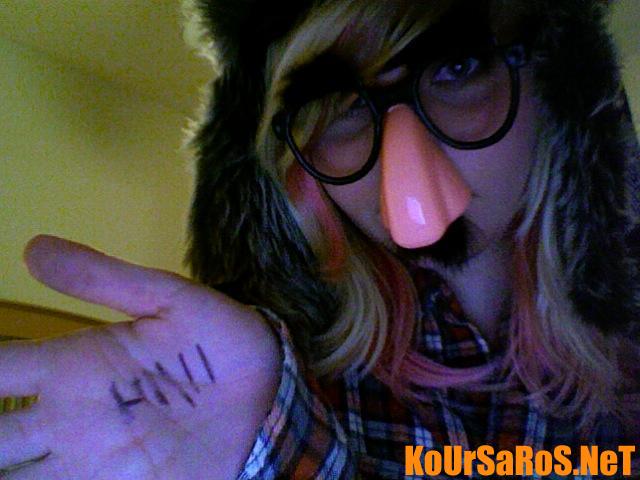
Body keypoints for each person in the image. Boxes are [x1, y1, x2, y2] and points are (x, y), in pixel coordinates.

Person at [1, 0, 639, 478]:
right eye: (344, 109)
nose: (407, 176)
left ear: (554, 87)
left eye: (457, 66)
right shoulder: (276, 385)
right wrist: (259, 454)